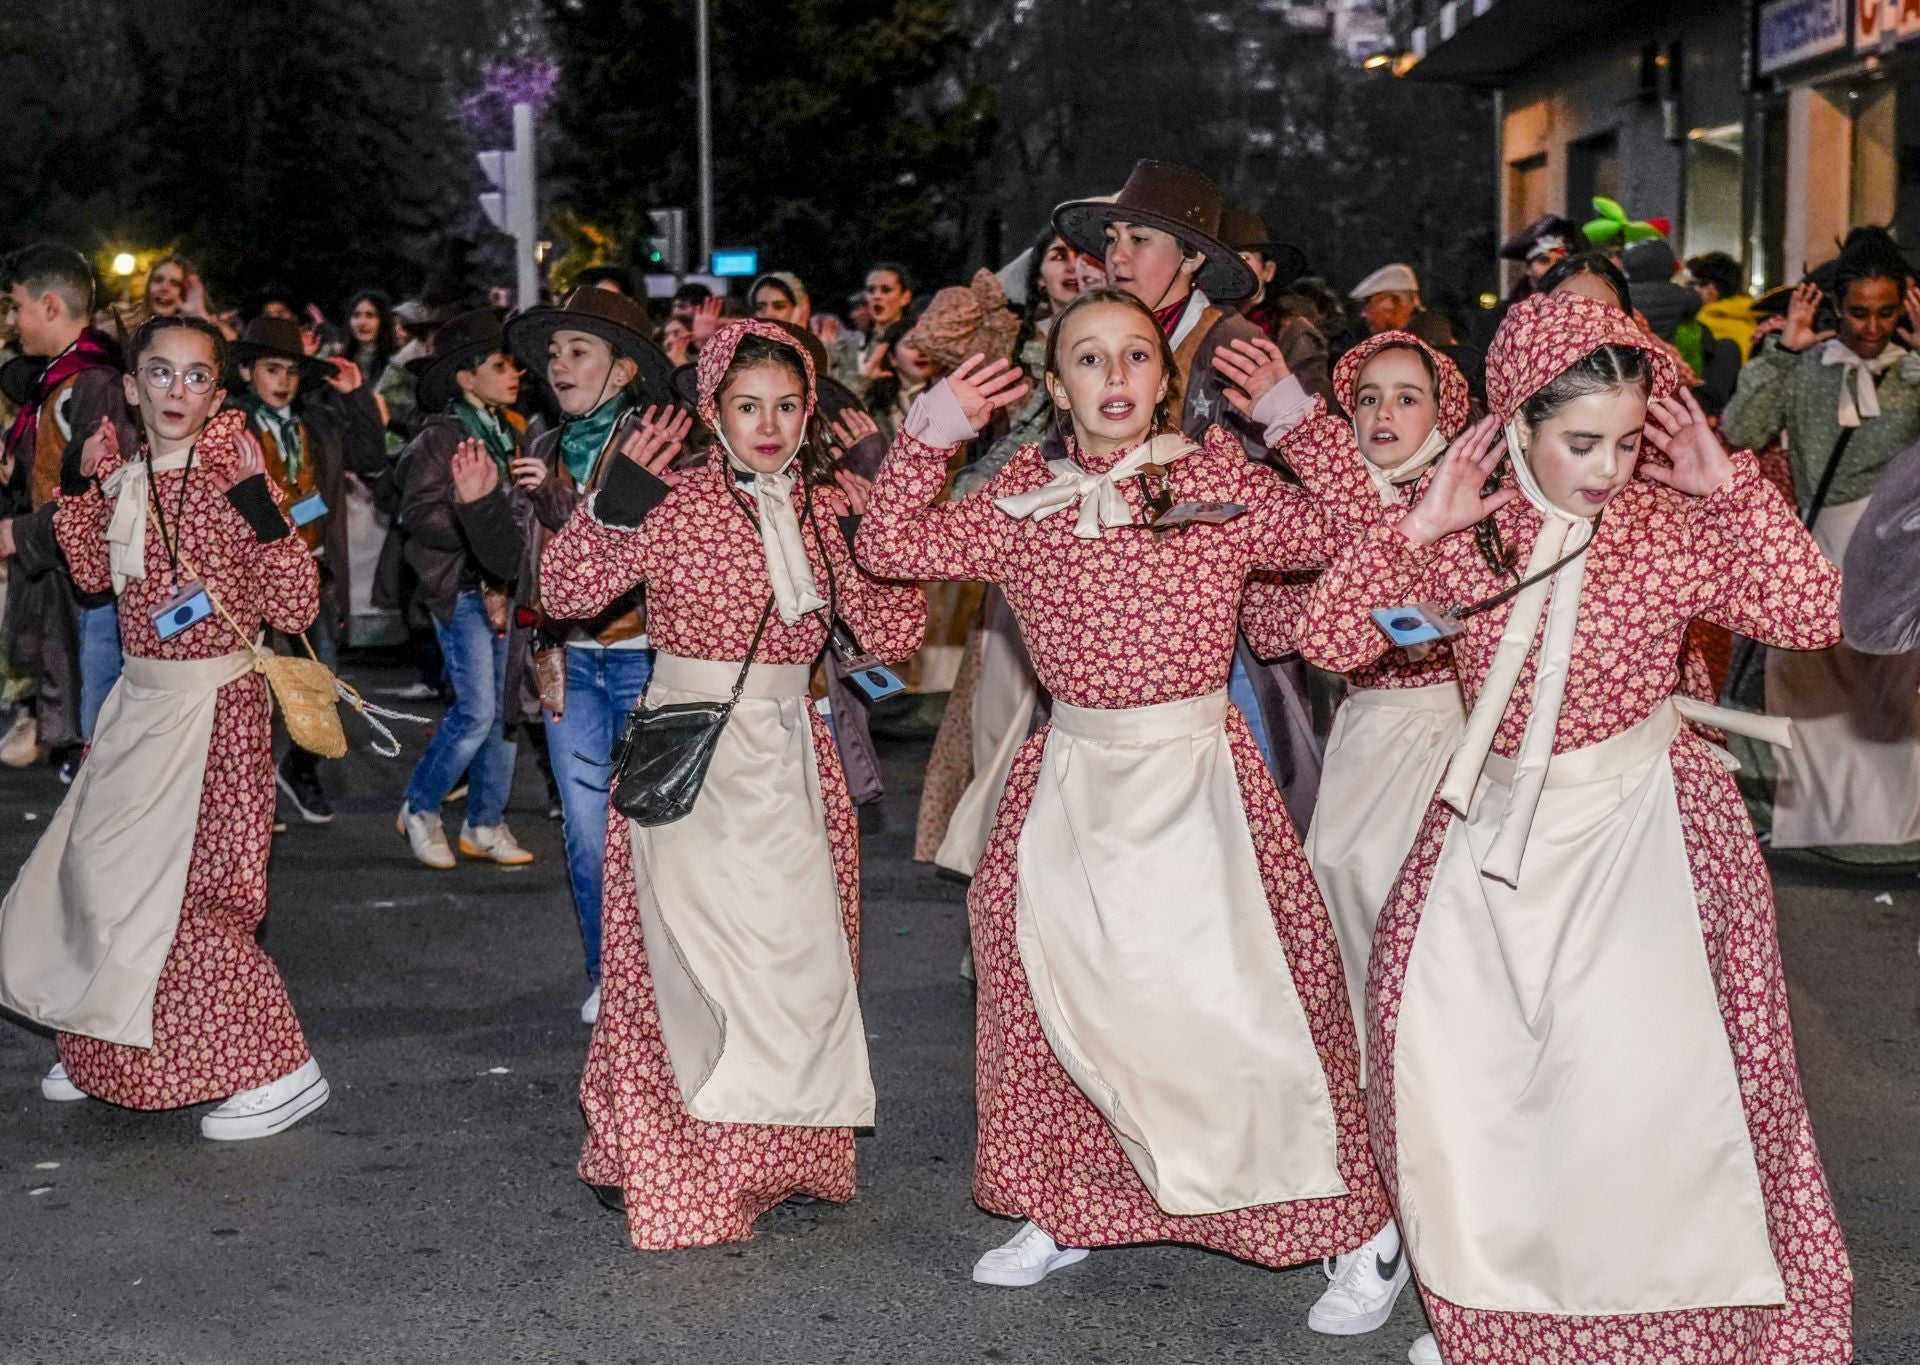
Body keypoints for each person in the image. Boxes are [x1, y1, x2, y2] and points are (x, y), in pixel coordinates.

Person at [1300, 290, 1852, 1365]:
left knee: (1631, 1084)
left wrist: (1729, 487)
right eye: (1581, 442)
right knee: (1471, 1069)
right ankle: (1501, 1293)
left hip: (1638, 824)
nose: (1606, 467)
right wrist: (1419, 526)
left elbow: (1815, 615)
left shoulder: (1670, 525)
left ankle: (1643, 1299)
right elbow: (1327, 636)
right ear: (1518, 427)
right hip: (1493, 819)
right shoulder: (1475, 536)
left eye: (1627, 440)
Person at [857, 288, 1396, 1334]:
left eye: (1136, 357)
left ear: (1166, 379)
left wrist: (1293, 414)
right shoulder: (1024, 495)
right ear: (1058, 386)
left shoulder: (1217, 480)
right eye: (1090, 360)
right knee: (1054, 998)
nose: (1115, 378)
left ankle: (1353, 1227)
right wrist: (930, 429)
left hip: (1197, 780)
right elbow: (889, 548)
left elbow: (1361, 525)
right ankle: (1074, 1205)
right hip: (1069, 780)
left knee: (1237, 1011)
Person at [539, 318, 925, 1247]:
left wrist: (880, 538)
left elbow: (894, 636)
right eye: (747, 406)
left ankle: (779, 1154)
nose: (769, 425)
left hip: (794, 756)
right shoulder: (667, 495)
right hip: (693, 755)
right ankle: (674, 1158)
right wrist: (616, 497)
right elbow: (563, 590)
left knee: (790, 970)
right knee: (687, 966)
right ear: (712, 410)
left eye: (788, 406)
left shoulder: (824, 508)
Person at [1, 314, 330, 1141]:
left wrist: (261, 506)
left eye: (194, 376)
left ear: (218, 391)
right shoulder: (126, 472)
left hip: (217, 712)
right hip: (140, 707)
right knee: (97, 873)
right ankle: (101, 1045)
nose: (176, 390)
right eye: (160, 372)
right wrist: (85, 483)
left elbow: (295, 606)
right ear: (135, 384)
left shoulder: (234, 475)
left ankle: (281, 1069)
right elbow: (89, 575)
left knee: (198, 901)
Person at [1054, 160, 1331, 829]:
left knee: (1228, 820)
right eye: (1113, 237)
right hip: (1116, 623)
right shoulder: (1103, 335)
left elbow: (1285, 495)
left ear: (1190, 261)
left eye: (1140, 239)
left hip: (1222, 633)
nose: (1117, 255)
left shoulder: (1233, 348)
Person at [1241, 330, 1471, 1092]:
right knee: (1340, 893)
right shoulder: (1338, 502)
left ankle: (1425, 1081)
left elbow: (1403, 557)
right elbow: (1287, 628)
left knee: (1404, 899)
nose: (1383, 414)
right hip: (1363, 729)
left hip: (1440, 732)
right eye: (1367, 398)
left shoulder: (1459, 500)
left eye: (1407, 398)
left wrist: (1304, 436)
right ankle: (1362, 1084)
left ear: (1444, 411)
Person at [503, 287, 680, 1022]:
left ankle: (665, 975)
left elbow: (631, 558)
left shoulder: (663, 443)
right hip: (567, 663)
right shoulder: (539, 446)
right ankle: (609, 972)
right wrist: (486, 506)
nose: (559, 365)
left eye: (579, 351)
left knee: (653, 833)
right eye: (553, 353)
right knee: (584, 836)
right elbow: (524, 563)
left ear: (621, 371)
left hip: (644, 659)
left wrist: (557, 503)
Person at [1721, 228, 1920, 859]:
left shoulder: (1916, 375)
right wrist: (1782, 349)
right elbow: (1742, 428)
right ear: (1834, 305)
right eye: (1858, 311)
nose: (1871, 325)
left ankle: (1891, 830)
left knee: (1885, 689)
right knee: (1808, 687)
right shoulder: (1803, 366)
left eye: (1886, 311)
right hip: (1818, 544)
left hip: (1894, 550)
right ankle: (1822, 825)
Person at [394, 309, 541, 871]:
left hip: (506, 587)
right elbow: (420, 515)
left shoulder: (514, 429)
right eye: (499, 365)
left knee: (503, 712)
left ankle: (484, 822)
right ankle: (421, 806)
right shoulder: (443, 436)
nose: (515, 374)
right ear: (465, 377)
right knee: (477, 712)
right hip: (462, 588)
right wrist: (479, 513)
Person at [229, 315, 385, 823]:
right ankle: (250, 797)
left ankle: (298, 768)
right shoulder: (231, 427)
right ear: (248, 372)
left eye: (292, 372)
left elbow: (370, 455)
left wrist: (356, 395)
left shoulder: (314, 424)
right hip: (251, 577)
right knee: (251, 694)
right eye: (271, 370)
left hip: (314, 571)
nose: (282, 381)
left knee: (323, 684)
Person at [0, 244, 134, 766]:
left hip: (89, 592)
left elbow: (106, 494)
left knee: (97, 730)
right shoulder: (57, 381)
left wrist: (21, 533)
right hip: (64, 582)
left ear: (51, 305)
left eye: (16, 307)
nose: (12, 321)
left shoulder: (94, 382)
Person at [1218, 202, 1308, 342]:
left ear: (1268, 271)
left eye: (1244, 258)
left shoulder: (1292, 332)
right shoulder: (1204, 320)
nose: (1233, 266)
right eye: (1224, 259)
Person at [1689, 249, 1760, 360]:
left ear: (1711, 289)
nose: (1693, 289)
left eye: (1695, 283)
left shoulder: (1703, 321)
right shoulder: (1750, 319)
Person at [343, 289, 400, 389]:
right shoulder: (340, 361)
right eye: (356, 315)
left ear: (383, 320)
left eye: (370, 315)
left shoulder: (396, 362)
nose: (362, 322)